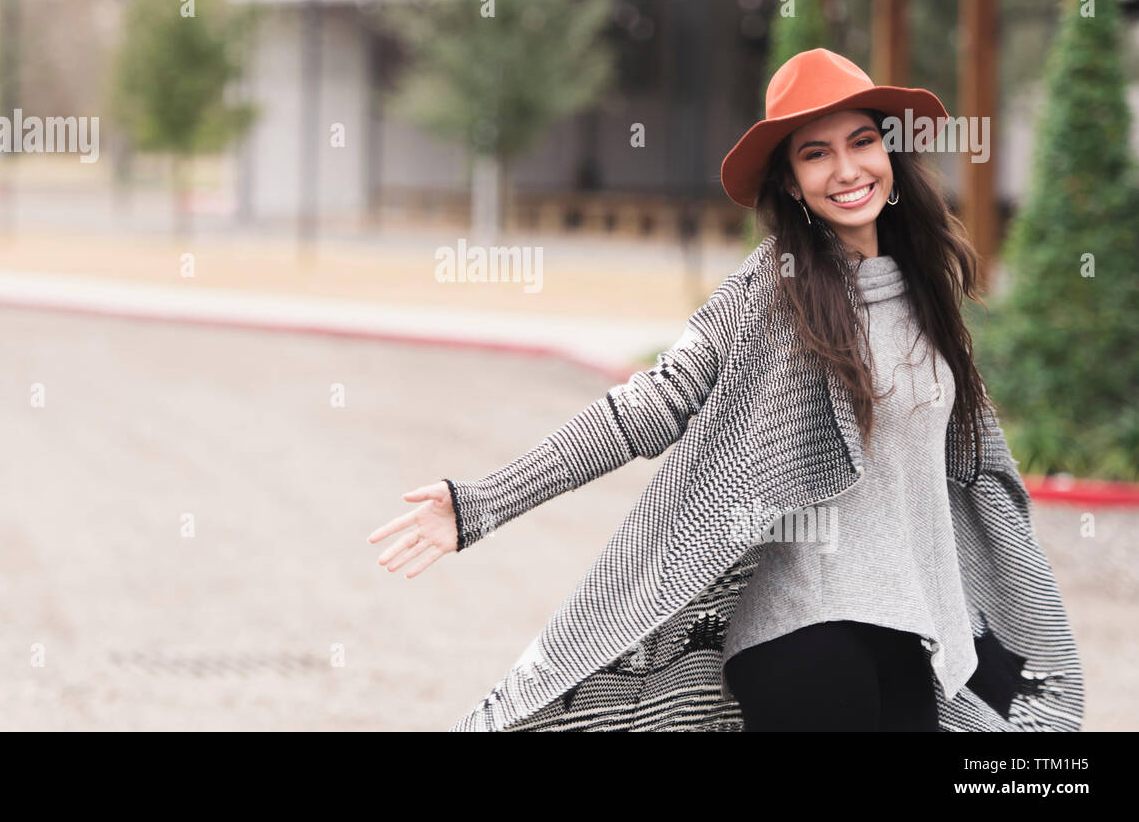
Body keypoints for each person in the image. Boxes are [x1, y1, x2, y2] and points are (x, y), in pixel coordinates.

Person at [366, 48, 1081, 732]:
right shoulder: (770, 291)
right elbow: (649, 405)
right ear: (791, 183)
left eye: (860, 141)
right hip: (802, 632)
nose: (845, 169)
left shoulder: (926, 289)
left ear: (890, 151)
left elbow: (973, 468)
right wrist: (483, 503)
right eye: (814, 152)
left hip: (907, 629)